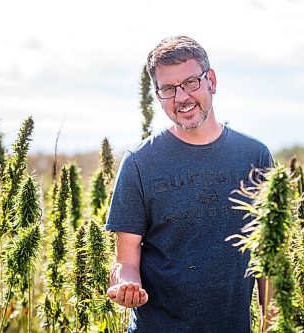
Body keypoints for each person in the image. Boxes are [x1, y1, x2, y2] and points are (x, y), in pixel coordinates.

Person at [105, 35, 273, 332]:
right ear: (157, 95)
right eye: (168, 89)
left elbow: (268, 254)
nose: (181, 97)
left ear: (212, 80)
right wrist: (126, 286)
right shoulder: (139, 163)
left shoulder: (254, 156)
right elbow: (126, 261)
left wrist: (272, 322)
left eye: (191, 83)